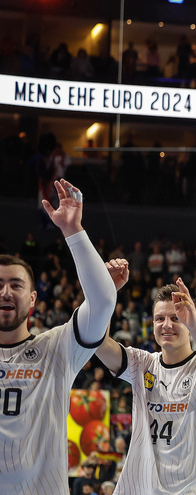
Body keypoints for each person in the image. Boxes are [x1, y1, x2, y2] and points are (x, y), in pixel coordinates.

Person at [0, 179, 118, 493]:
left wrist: (73, 230)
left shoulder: (56, 347)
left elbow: (104, 301)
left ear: (34, 299)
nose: (6, 292)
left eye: (16, 285)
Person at [92, 259, 196, 494]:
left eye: (176, 318)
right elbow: (101, 346)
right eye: (160, 319)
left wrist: (195, 324)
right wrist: (106, 292)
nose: (166, 325)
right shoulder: (143, 364)